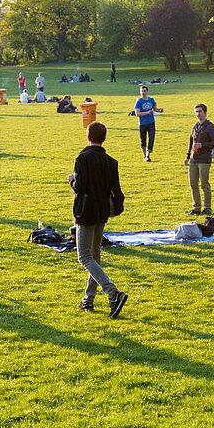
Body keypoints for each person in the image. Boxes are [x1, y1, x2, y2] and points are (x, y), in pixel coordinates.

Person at [70, 121, 128, 318]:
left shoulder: (82, 158)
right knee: (95, 257)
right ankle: (88, 299)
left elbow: (81, 187)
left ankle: (113, 293)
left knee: (84, 257)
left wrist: (72, 180)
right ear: (104, 138)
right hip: (102, 212)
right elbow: (117, 191)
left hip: (86, 212)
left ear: (88, 137)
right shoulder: (111, 161)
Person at [184, 103, 214, 216]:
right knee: (193, 184)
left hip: (204, 159)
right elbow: (191, 142)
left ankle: (207, 208)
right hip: (193, 159)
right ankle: (196, 208)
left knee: (205, 184)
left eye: (200, 111)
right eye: (196, 112)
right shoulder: (195, 126)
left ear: (205, 112)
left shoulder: (210, 127)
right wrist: (187, 156)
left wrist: (202, 145)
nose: (198, 114)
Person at [133, 85, 162, 162]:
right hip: (142, 124)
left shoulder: (151, 99)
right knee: (143, 140)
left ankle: (148, 155)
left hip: (151, 122)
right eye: (142, 91)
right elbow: (137, 113)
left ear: (147, 92)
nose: (143, 92)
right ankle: (144, 155)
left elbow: (155, 108)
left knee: (151, 139)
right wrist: (147, 112)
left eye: (144, 91)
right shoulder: (139, 101)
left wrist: (159, 110)